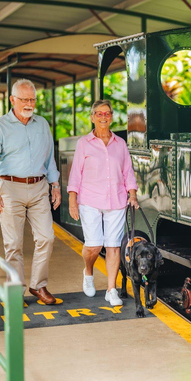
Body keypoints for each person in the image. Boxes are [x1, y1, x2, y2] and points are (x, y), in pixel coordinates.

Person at [0, 79, 61, 305]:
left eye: (32, 99)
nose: (29, 103)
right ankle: (16, 291)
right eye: (24, 99)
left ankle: (38, 285)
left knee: (47, 237)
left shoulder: (42, 124)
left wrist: (55, 186)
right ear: (12, 100)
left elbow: (50, 159)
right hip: (10, 188)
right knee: (14, 244)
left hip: (39, 187)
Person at [67, 100, 139, 307]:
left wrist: (132, 195)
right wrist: (73, 200)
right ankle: (88, 271)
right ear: (92, 117)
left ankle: (111, 290)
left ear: (112, 117)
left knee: (113, 246)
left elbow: (128, 172)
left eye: (107, 113)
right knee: (94, 245)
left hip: (116, 200)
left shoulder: (120, 144)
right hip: (89, 200)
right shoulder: (84, 143)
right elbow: (75, 174)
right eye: (99, 114)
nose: (103, 117)